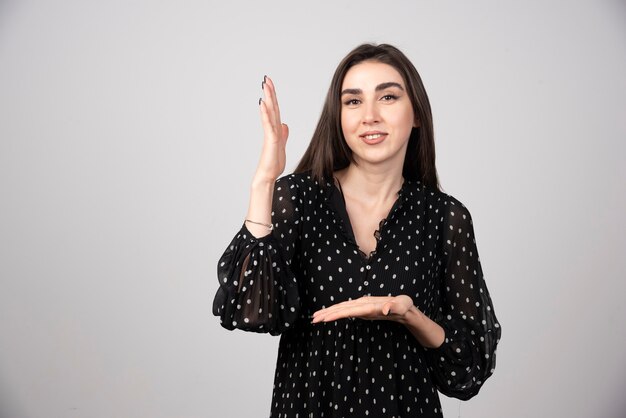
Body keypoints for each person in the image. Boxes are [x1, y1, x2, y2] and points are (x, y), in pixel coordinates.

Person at [213, 43, 501, 417]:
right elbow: (251, 310)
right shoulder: (297, 198)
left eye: (388, 97)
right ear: (339, 117)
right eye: (353, 101)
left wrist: (411, 317)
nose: (370, 115)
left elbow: (469, 368)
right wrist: (264, 180)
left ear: (416, 114)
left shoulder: (444, 217)